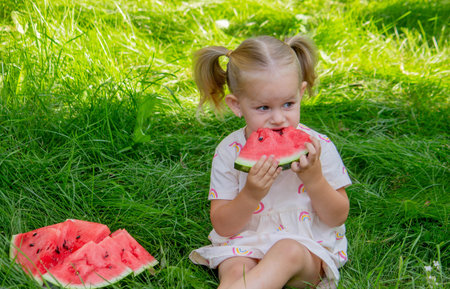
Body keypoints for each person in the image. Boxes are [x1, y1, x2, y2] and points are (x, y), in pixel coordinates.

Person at [189, 35, 352, 289]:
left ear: (301, 93)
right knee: (234, 268)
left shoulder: (318, 147)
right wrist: (251, 194)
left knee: (287, 251)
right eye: (263, 108)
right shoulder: (229, 152)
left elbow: (337, 216)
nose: (278, 119)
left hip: (306, 249)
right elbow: (223, 226)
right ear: (237, 105)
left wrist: (314, 178)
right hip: (244, 244)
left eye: (288, 104)